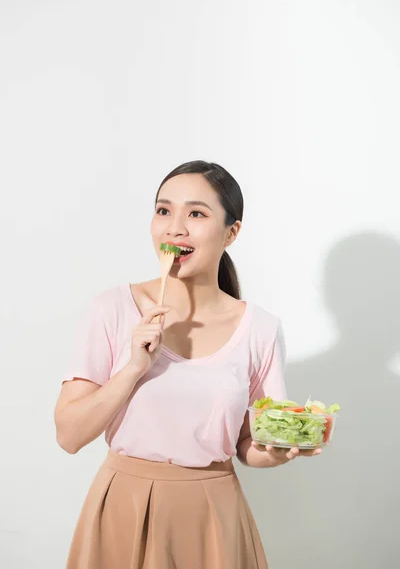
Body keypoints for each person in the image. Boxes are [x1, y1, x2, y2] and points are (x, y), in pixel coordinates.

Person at [54, 161, 322, 569]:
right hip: (122, 509)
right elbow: (69, 435)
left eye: (196, 214)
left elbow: (249, 445)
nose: (174, 227)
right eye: (164, 211)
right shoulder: (110, 309)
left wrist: (282, 451)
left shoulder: (260, 329)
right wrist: (132, 370)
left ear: (232, 232)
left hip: (212, 516)